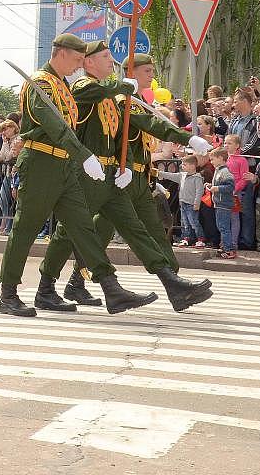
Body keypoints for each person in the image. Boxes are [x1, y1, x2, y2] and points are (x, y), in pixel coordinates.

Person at [36, 40, 209, 312]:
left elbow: (131, 132)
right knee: (68, 233)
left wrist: (124, 164)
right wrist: (121, 87)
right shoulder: (85, 87)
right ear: (89, 63)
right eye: (105, 57)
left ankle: (171, 283)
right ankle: (46, 286)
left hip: (111, 176)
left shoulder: (114, 96)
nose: (110, 62)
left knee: (136, 230)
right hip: (86, 174)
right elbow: (96, 95)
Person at [0, 34, 157, 318]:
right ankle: (8, 294)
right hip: (41, 161)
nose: (80, 63)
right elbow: (55, 125)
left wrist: (78, 157)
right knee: (25, 229)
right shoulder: (40, 83)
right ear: (61, 53)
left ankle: (109, 287)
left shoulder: (63, 85)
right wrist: (85, 155)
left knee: (82, 226)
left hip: (64, 165)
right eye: (77, 58)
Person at [160, 154, 205, 248]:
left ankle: (200, 239)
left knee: (194, 222)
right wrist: (160, 173)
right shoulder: (182, 175)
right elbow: (171, 176)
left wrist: (197, 203)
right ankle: (186, 238)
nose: (182, 166)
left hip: (192, 204)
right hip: (183, 203)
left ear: (192, 166)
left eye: (184, 164)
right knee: (184, 222)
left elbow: (199, 192)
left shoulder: (197, 178)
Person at [207, 147, 238, 259]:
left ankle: (228, 249)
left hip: (223, 204)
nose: (211, 162)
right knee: (222, 227)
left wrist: (217, 188)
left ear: (220, 158)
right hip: (220, 203)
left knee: (224, 227)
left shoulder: (224, 171)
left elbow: (230, 187)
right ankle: (225, 246)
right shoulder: (219, 170)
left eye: (213, 159)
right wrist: (212, 187)